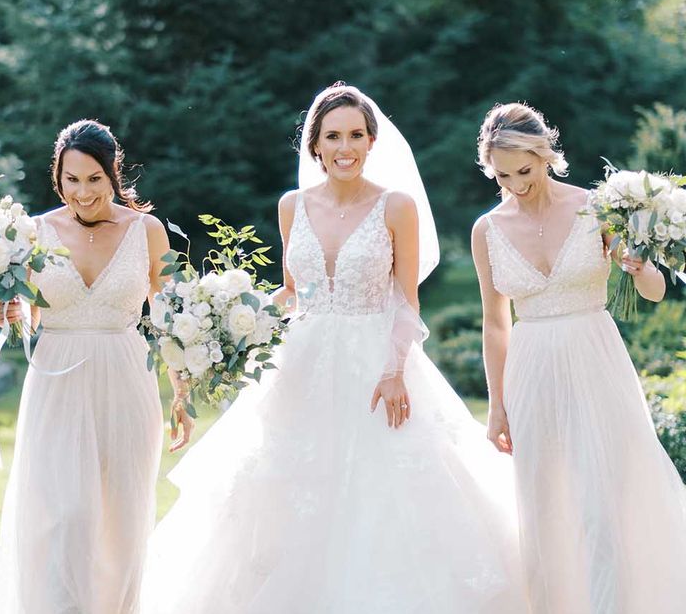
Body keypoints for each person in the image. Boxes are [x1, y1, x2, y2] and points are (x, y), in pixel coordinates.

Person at [140, 84, 528, 613]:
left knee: (382, 491)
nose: (344, 147)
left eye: (354, 135)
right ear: (315, 146)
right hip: (301, 366)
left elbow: (407, 301)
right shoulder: (291, 206)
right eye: (332, 137)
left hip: (376, 365)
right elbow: (294, 292)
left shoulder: (396, 207)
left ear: (371, 141)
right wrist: (232, 317)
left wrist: (394, 370)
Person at [471, 102, 686, 613]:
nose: (516, 184)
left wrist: (638, 266)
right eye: (502, 175)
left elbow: (655, 292)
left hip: (595, 359)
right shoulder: (487, 230)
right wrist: (497, 405)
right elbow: (496, 323)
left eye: (524, 170)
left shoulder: (595, 209)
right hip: (530, 367)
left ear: (545, 155)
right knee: (545, 507)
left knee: (604, 502)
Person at [0, 119, 193, 613]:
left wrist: (182, 397)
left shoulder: (147, 231)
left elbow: (168, 321)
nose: (82, 192)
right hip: (56, 378)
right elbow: (30, 317)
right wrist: (10, 312)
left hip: (126, 378)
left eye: (94, 179)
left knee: (122, 525)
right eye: (70, 180)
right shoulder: (34, 232)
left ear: (113, 174)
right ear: (57, 178)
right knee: (66, 517)